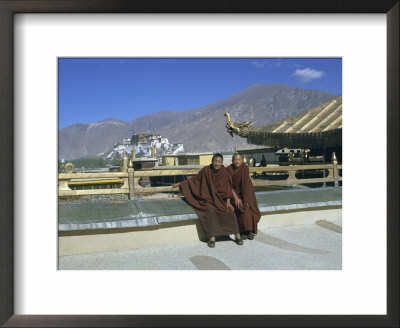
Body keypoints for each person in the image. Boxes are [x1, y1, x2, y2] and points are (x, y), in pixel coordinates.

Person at [173, 153, 243, 248]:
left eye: (219, 162)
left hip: (221, 200)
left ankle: (237, 235)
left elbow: (227, 189)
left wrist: (228, 203)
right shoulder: (206, 170)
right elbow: (195, 180)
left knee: (230, 212)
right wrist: (182, 183)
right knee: (210, 212)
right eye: (215, 161)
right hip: (208, 200)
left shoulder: (224, 172)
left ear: (222, 162)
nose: (217, 164)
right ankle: (212, 238)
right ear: (212, 161)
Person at [226, 153, 261, 240]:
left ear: (242, 161)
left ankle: (249, 231)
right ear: (232, 160)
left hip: (244, 194)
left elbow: (246, 185)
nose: (237, 162)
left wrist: (247, 200)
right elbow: (228, 186)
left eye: (238, 160)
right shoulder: (228, 169)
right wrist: (236, 198)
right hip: (233, 194)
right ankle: (242, 231)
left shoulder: (245, 168)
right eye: (235, 159)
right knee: (240, 208)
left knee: (248, 207)